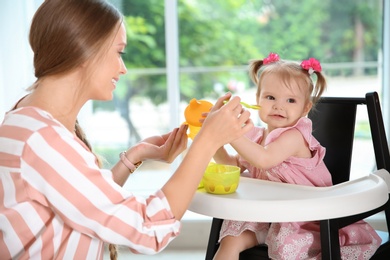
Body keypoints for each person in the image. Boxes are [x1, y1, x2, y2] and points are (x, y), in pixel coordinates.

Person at [0, 0, 253, 259]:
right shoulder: (43, 140)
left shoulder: (27, 120)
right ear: (84, 50)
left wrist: (135, 156)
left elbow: (85, 202)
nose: (123, 68)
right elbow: (147, 229)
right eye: (119, 52)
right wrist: (207, 141)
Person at [212, 53, 381, 260]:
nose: (279, 106)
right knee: (230, 241)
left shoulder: (295, 136)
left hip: (307, 220)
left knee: (285, 249)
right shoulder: (255, 137)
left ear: (305, 108)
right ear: (258, 100)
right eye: (270, 97)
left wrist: (229, 132)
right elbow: (232, 166)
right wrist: (212, 138)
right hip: (268, 217)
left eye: (291, 100)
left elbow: (264, 159)